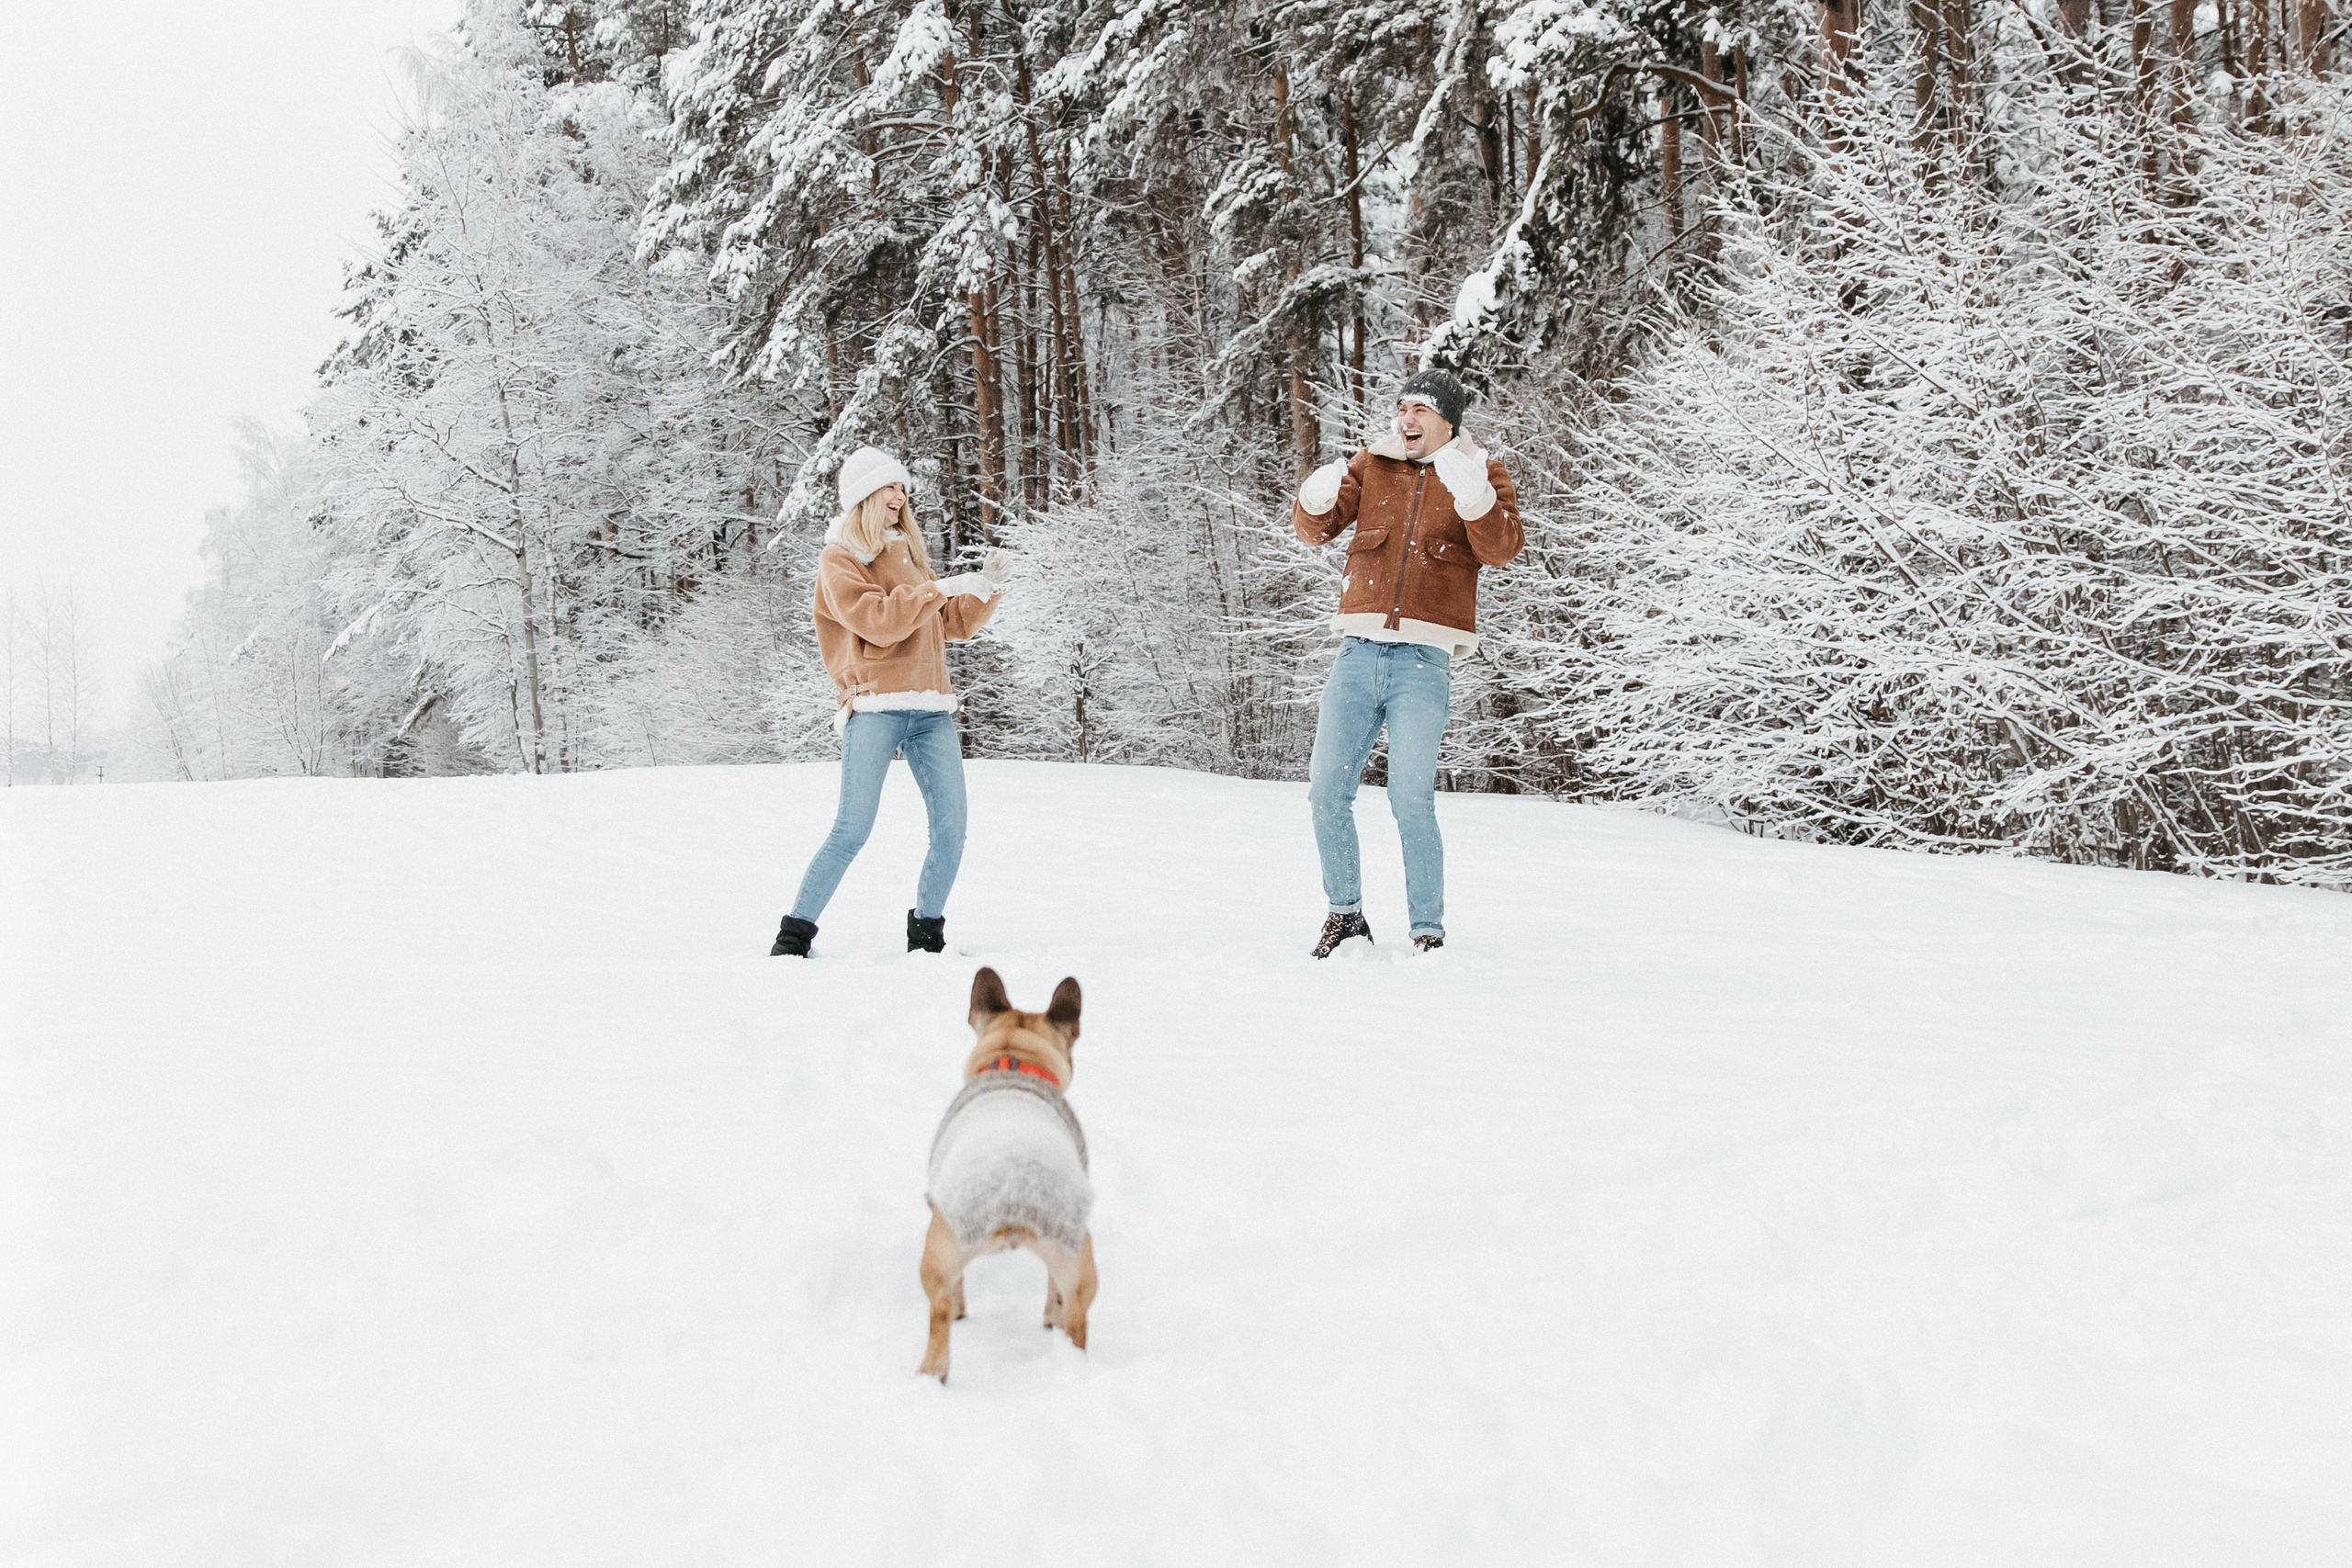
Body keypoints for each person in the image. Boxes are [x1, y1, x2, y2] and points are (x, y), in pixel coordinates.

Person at [1291, 368, 1524, 957]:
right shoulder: (1372, 465)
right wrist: (1313, 501)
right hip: (1356, 651)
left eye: (1421, 410)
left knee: (1410, 798)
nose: (1407, 420)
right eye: (1402, 408)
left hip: (1423, 659)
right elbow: (1317, 530)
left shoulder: (1483, 472)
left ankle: (1428, 931)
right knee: (1325, 791)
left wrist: (1475, 497)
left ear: (1448, 420)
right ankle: (1345, 916)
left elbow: (1501, 549)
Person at [771, 446, 1009, 958]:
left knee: (952, 830)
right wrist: (939, 588)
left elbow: (950, 624)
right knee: (852, 829)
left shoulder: (911, 555)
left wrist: (986, 588)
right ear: (864, 496)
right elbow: (879, 621)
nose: (900, 495)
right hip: (875, 706)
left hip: (930, 708)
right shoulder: (839, 559)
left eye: (903, 487)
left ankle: (926, 936)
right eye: (890, 486)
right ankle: (794, 936)